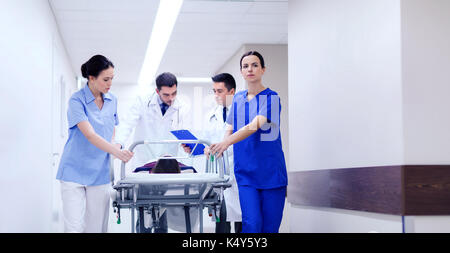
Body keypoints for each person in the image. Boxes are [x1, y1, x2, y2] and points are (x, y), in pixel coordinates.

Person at [209, 51, 288, 233]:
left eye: (254, 65)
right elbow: (229, 127)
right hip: (246, 174)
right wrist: (217, 147)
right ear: (241, 72)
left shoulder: (272, 98)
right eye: (245, 66)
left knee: (269, 228)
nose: (250, 69)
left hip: (271, 174)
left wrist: (226, 143)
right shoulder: (237, 99)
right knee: (251, 225)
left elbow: (255, 125)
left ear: (263, 70)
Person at [56, 55, 133, 233]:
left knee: (96, 228)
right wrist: (115, 151)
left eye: (112, 79)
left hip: (99, 172)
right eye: (106, 79)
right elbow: (90, 134)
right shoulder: (77, 100)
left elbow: (111, 129)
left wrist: (116, 148)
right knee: (74, 227)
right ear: (91, 78)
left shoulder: (112, 100)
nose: (110, 84)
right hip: (73, 171)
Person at [115, 72, 189, 233]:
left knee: (162, 210)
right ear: (157, 91)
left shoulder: (179, 106)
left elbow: (182, 131)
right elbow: (128, 123)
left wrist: (187, 145)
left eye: (174, 93)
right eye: (166, 94)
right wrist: (118, 144)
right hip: (144, 162)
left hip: (166, 166)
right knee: (144, 210)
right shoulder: (143, 102)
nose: (171, 98)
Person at [184, 73, 242, 233]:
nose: (215, 95)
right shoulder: (212, 114)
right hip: (220, 175)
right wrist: (194, 148)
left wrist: (218, 147)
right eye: (214, 91)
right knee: (221, 222)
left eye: (219, 91)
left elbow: (238, 142)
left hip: (238, 173)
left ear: (232, 92)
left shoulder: (242, 113)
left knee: (241, 224)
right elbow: (207, 142)